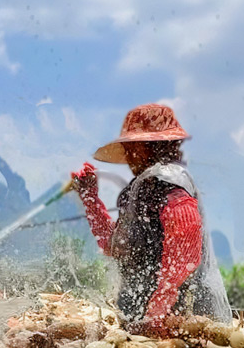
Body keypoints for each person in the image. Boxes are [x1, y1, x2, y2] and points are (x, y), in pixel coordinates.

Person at [71, 103, 231, 333]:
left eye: (131, 146)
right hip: (150, 326)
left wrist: (157, 312)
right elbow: (115, 246)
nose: (127, 154)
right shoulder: (143, 187)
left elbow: (186, 246)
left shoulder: (167, 179)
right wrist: (89, 197)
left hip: (187, 327)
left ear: (148, 146)